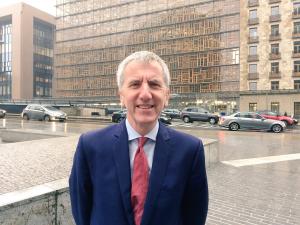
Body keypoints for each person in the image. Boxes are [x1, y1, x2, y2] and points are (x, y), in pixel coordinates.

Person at [69, 51, 209, 225]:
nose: (145, 94)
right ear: (121, 95)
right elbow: (81, 210)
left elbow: (194, 215)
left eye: (154, 84)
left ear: (166, 95)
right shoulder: (90, 146)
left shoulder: (189, 150)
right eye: (135, 84)